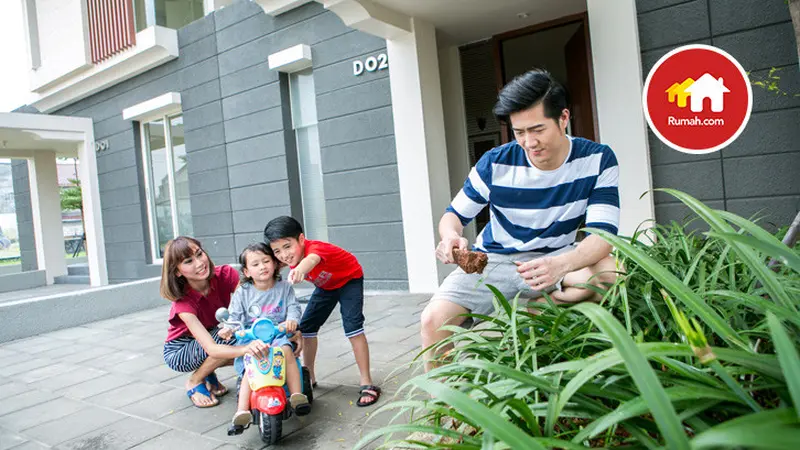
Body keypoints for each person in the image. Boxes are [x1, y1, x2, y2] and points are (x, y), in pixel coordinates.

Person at [422, 69, 620, 372]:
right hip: (495, 259)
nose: (529, 142)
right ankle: (443, 409)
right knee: (433, 321)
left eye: (538, 129)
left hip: (556, 256)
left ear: (563, 118)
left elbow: (604, 236)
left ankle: (536, 309)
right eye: (519, 132)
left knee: (609, 274)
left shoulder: (598, 159)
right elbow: (453, 216)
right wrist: (450, 237)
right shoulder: (495, 161)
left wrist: (562, 265)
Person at [264, 216, 381, 407]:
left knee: (353, 326)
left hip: (349, 280)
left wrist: (300, 269)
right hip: (326, 287)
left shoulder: (314, 249)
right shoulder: (285, 257)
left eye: (287, 246)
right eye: (277, 251)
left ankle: (367, 382)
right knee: (307, 327)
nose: (284, 255)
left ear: (301, 239)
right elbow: (267, 264)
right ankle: (308, 376)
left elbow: (311, 260)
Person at [161, 236, 274, 408]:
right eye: (189, 261)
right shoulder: (183, 303)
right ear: (177, 271)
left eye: (200, 254)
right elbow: (212, 348)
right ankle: (195, 380)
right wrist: (246, 348)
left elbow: (249, 307)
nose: (199, 263)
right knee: (231, 341)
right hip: (180, 350)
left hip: (211, 334)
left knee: (249, 338)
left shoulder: (225, 274)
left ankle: (208, 372)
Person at [218, 243, 310, 431]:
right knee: (250, 364)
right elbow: (234, 315)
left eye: (266, 261)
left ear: (275, 264)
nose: (262, 266)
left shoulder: (284, 288)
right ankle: (242, 411)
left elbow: (293, 306)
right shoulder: (243, 292)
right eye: (256, 264)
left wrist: (291, 320)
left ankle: (296, 395)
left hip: (277, 334)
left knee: (286, 351)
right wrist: (228, 328)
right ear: (247, 271)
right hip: (252, 338)